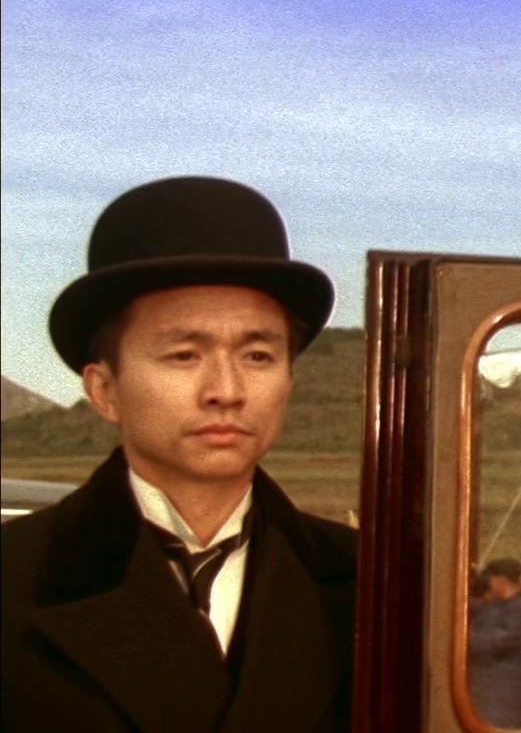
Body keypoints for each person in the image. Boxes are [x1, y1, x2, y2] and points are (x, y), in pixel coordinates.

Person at [0, 176, 357, 731]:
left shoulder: (371, 583)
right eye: (185, 355)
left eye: (258, 356)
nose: (226, 390)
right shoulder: (14, 574)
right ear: (105, 390)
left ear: (289, 381)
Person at [471, 558, 521, 726]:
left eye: (491, 578)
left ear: (501, 580)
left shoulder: (520, 608)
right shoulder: (497, 605)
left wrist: (465, 641)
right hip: (487, 687)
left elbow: (502, 641)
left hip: (502, 691)